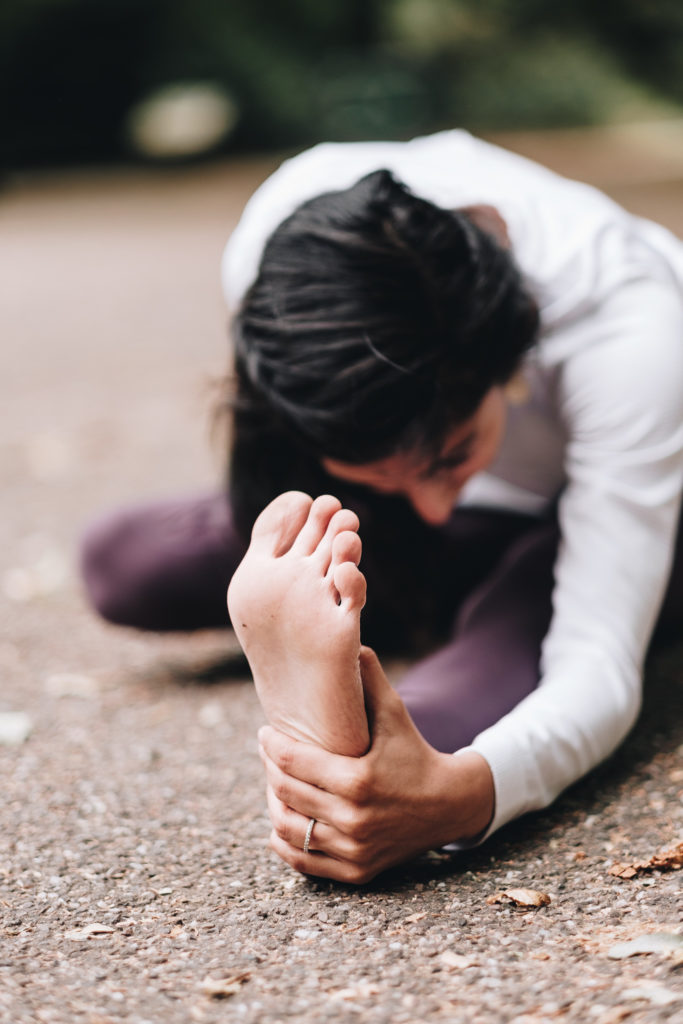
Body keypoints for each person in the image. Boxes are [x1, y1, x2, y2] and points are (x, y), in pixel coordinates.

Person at [81, 129, 683, 884]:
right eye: (391, 470)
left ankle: (380, 680)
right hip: (454, 515)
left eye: (452, 453)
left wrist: (465, 796)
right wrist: (386, 489)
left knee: (424, 732)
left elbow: (596, 659)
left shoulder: (628, 329)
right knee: (122, 562)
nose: (431, 504)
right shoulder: (291, 266)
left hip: (609, 516)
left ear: (505, 365)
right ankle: (390, 605)